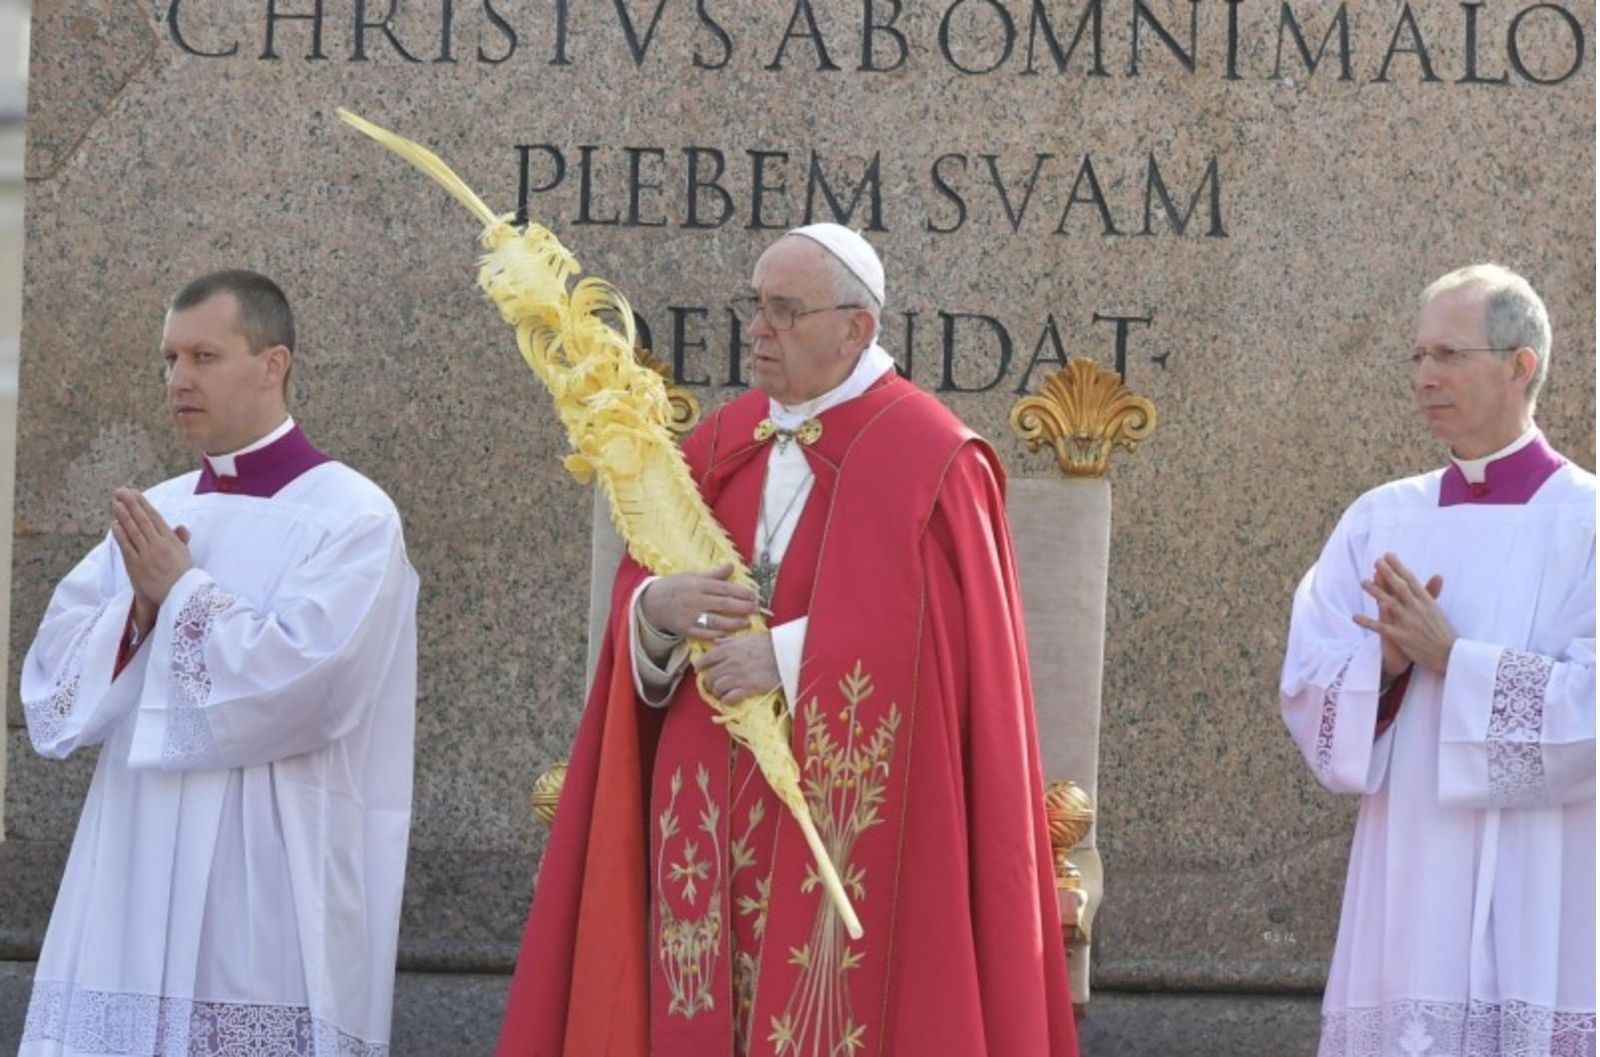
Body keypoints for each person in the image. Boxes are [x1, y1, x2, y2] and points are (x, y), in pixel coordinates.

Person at [497, 225, 1078, 1057]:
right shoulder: (719, 440)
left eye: (785, 310)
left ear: (857, 329)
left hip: (862, 813)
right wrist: (655, 610)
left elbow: (956, 645)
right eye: (755, 305)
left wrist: (793, 655)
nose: (758, 329)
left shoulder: (935, 459)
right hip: (707, 802)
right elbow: (643, 582)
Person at [18, 270, 419, 1057]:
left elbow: (313, 681)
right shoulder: (156, 511)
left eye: (204, 355)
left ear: (273, 364)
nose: (179, 379)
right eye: (169, 359)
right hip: (134, 856)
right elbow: (52, 686)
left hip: (266, 862)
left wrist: (182, 594)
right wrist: (136, 615)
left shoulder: (354, 516)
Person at [1281, 264, 1594, 1057]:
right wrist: (1383, 663)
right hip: (1411, 870)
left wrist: (1455, 659)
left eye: (1450, 355)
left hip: (1547, 874)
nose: (1426, 377)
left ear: (1520, 365)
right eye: (1417, 356)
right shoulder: (1380, 518)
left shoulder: (1588, 523)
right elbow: (1308, 683)